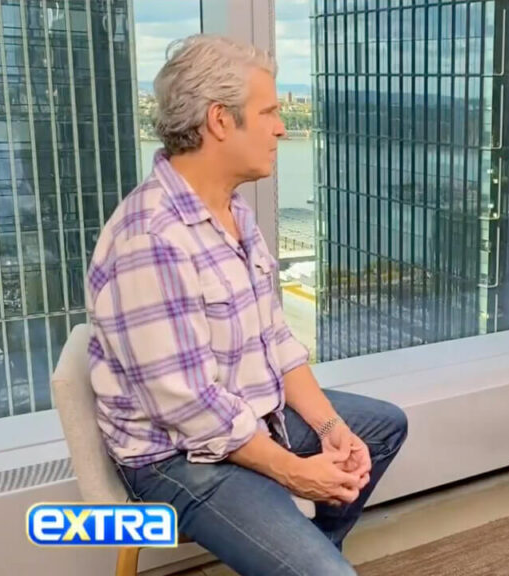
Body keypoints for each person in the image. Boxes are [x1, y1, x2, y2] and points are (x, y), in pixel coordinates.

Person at [85, 35, 407, 576]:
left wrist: (330, 428)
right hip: (174, 457)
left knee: (381, 428)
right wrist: (292, 471)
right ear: (219, 120)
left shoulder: (234, 213)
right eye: (269, 112)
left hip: (246, 413)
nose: (282, 128)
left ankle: (307, 553)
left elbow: (275, 341)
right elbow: (190, 410)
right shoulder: (150, 240)